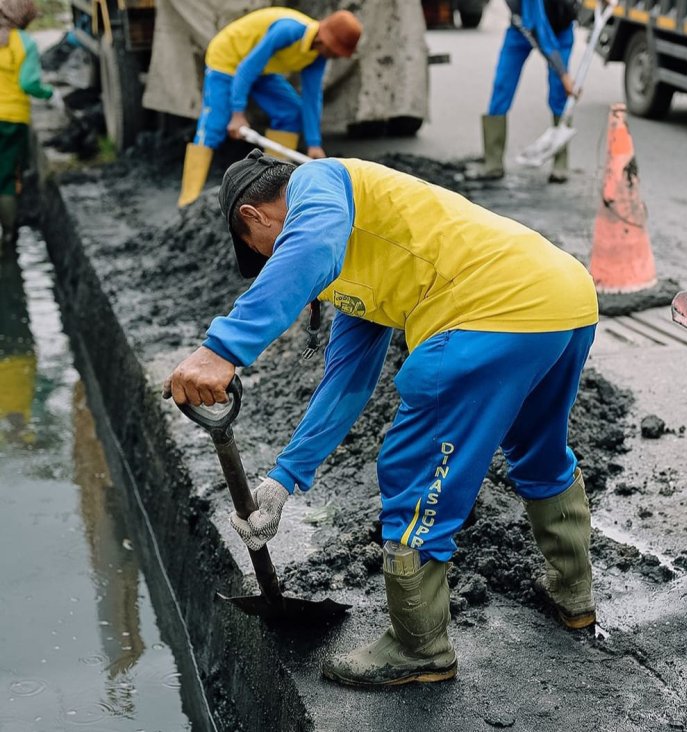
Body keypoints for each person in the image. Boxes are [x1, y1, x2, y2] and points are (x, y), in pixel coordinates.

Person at [164, 150, 599, 688]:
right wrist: (283, 479)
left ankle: (419, 648)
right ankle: (573, 594)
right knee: (539, 449)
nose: (275, 264)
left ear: (255, 216)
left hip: (491, 312)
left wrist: (222, 349)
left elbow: (309, 247)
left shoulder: (317, 183)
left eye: (264, 255)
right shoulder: (354, 256)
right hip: (563, 299)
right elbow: (346, 381)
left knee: (412, 470)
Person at [177, 7, 362, 208]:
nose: (336, 57)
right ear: (324, 41)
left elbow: (312, 96)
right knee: (215, 124)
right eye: (336, 52)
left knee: (290, 113)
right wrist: (238, 114)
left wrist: (314, 144)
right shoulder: (289, 31)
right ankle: (188, 199)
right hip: (229, 58)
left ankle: (267, 186)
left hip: (261, 69)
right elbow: (247, 67)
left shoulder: (318, 56)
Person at [483, 0, 578, 182]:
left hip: (561, 29)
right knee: (502, 85)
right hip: (524, 28)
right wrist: (564, 74)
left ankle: (560, 162)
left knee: (559, 93)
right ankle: (493, 162)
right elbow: (541, 31)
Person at [0, 0, 58, 252]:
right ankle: (9, 237)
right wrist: (50, 94)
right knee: (7, 180)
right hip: (11, 121)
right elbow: (28, 83)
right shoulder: (22, 42)